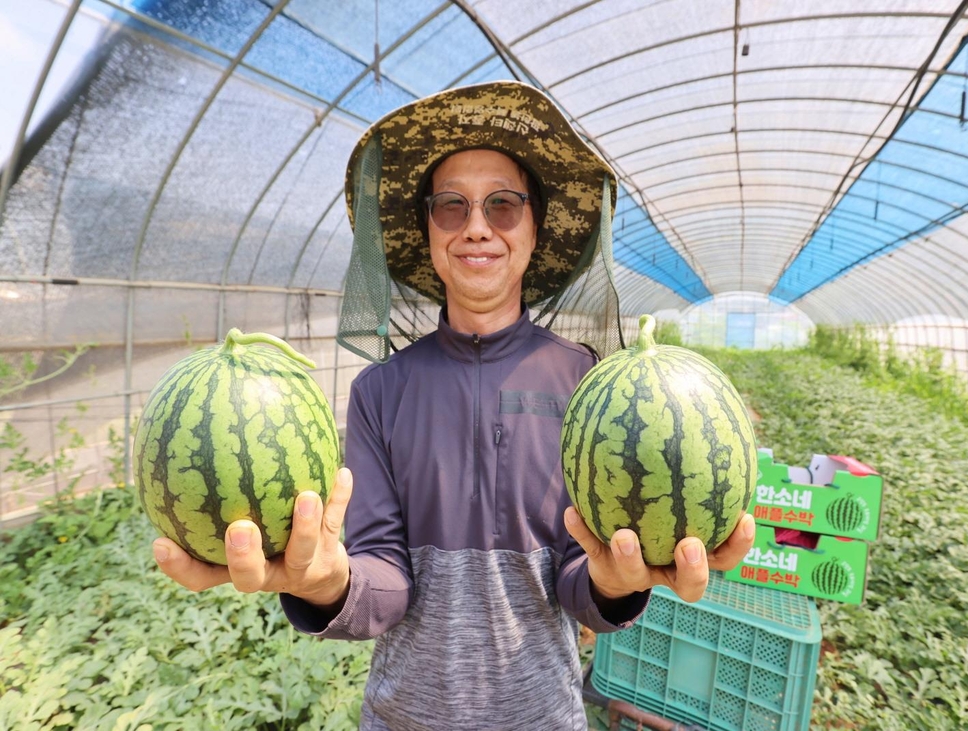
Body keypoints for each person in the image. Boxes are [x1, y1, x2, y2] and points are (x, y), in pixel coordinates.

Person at [152, 81, 756, 730]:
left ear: (534, 226)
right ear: (428, 230)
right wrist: (322, 580)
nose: (476, 227)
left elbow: (579, 578)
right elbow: (383, 580)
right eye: (450, 206)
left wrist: (618, 578)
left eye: (502, 205)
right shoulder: (380, 392)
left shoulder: (585, 384)